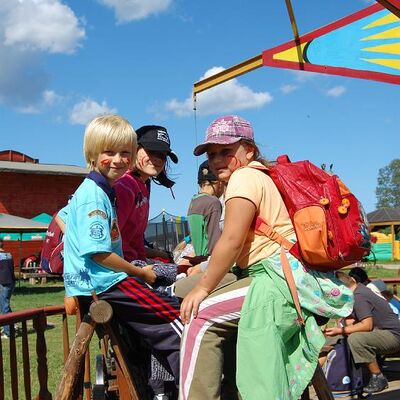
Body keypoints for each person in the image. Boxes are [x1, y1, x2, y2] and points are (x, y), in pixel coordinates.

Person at [179, 115, 353, 400]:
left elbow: (232, 241)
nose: (217, 160)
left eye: (226, 151)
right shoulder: (260, 176)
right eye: (211, 154)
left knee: (200, 316)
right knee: (182, 290)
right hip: (277, 275)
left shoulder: (244, 177)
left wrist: (202, 288)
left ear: (248, 150)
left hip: (275, 280)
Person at [60, 115, 182, 400]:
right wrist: (140, 272)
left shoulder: (105, 190)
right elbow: (98, 252)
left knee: (173, 318)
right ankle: (182, 390)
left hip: (102, 280)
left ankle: (163, 389)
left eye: (124, 153)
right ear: (92, 153)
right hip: (107, 281)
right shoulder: (98, 194)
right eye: (109, 152)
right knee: (181, 325)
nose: (118, 160)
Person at [325, 271, 400, 394]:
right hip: (384, 332)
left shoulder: (359, 296)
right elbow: (353, 322)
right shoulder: (359, 290)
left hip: (393, 336)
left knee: (356, 339)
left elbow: (367, 325)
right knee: (343, 338)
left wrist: (340, 330)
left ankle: (378, 377)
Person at [187, 160, 224, 258]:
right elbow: (214, 240)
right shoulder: (213, 203)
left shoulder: (193, 201)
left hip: (198, 257)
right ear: (219, 182)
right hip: (210, 259)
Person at [0, 238, 15, 339]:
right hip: (11, 282)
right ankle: (11, 324)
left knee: (4, 307)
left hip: (4, 283)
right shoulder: (9, 255)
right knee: (4, 305)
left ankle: (8, 332)